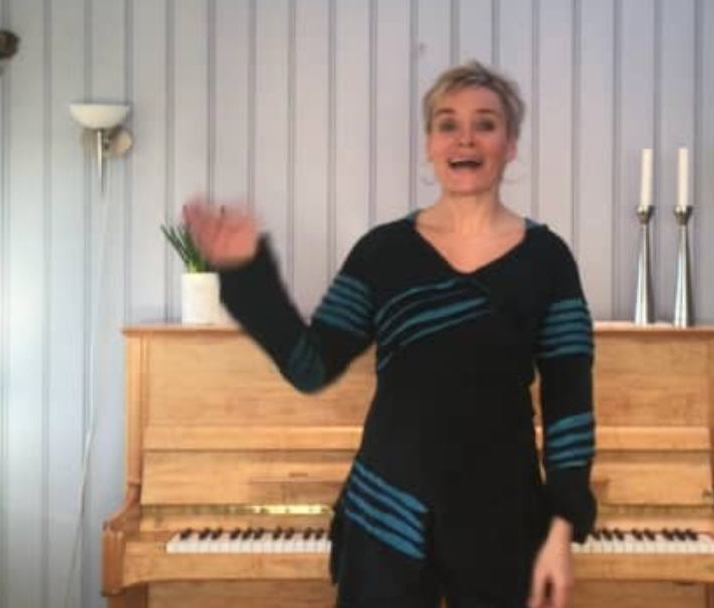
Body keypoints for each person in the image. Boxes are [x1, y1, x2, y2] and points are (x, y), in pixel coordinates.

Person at [184, 61, 596, 608]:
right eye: (447, 124)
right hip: (387, 516)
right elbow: (310, 366)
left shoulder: (548, 259)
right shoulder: (382, 253)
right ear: (429, 145)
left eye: (485, 123)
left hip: (502, 518)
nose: (465, 138)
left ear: (511, 144)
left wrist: (562, 530)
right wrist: (247, 273)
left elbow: (570, 405)